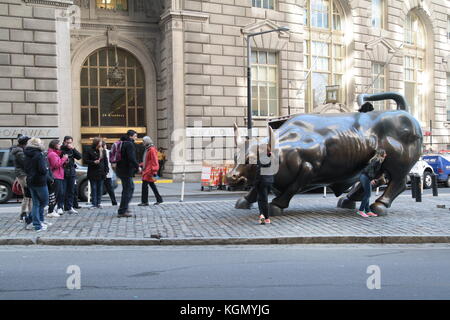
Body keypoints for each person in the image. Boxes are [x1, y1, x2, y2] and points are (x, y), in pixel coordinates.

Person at [23, 138, 50, 232]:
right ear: (37, 144)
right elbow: (42, 169)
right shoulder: (38, 154)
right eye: (40, 142)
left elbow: (25, 168)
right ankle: (37, 224)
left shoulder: (27, 154)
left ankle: (34, 222)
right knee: (44, 201)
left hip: (31, 181)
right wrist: (46, 169)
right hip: (40, 181)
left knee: (36, 203)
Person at [116, 130, 140, 218]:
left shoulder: (122, 143)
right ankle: (122, 211)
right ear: (130, 136)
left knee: (128, 189)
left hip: (121, 170)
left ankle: (124, 208)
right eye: (135, 136)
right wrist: (138, 166)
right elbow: (131, 158)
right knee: (128, 190)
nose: (136, 138)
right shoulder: (129, 144)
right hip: (126, 171)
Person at [357, 148, 387, 218]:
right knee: (367, 195)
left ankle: (368, 211)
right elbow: (370, 170)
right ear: (382, 154)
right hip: (366, 177)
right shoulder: (377, 160)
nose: (386, 155)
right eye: (385, 153)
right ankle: (361, 210)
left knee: (367, 194)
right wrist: (371, 179)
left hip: (365, 177)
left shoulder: (377, 160)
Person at [11, 135, 32, 221]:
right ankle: (23, 214)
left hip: (24, 174)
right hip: (23, 175)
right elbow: (25, 163)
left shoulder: (22, 150)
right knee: (27, 195)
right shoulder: (20, 152)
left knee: (30, 196)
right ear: (25, 143)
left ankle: (30, 213)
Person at [83, 137, 108, 209]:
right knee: (94, 188)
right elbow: (85, 160)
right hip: (93, 172)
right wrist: (93, 162)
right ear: (96, 143)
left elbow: (105, 161)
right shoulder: (89, 150)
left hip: (101, 172)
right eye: (100, 142)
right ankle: (94, 203)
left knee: (100, 188)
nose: (101, 143)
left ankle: (99, 203)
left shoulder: (103, 151)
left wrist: (106, 171)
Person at [138, 136, 163, 206]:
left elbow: (154, 161)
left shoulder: (151, 149)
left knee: (145, 186)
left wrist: (154, 171)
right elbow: (147, 160)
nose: (142, 143)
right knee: (152, 185)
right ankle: (159, 199)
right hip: (148, 170)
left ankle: (145, 202)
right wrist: (141, 164)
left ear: (147, 142)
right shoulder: (148, 149)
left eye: (143, 141)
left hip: (149, 171)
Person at [60, 136, 82, 214]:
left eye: (70, 142)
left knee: (71, 190)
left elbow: (79, 157)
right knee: (62, 191)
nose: (69, 144)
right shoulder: (61, 149)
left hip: (71, 172)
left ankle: (69, 207)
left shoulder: (71, 150)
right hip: (63, 172)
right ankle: (60, 207)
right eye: (67, 142)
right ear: (64, 142)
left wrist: (73, 149)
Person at [47, 139, 69, 217]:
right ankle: (51, 211)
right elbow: (56, 165)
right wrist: (64, 158)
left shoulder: (54, 153)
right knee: (55, 194)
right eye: (59, 144)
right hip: (56, 176)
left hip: (59, 176)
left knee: (59, 193)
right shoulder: (52, 154)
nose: (60, 146)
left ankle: (52, 210)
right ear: (55, 145)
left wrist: (64, 160)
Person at [255, 144, 274, 225]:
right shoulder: (272, 157)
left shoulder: (261, 159)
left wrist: (256, 183)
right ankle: (266, 218)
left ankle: (263, 216)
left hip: (262, 181)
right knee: (265, 199)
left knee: (261, 199)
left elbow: (259, 172)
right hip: (270, 181)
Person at [102, 140, 117, 206]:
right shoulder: (99, 152)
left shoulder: (109, 152)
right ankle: (97, 202)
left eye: (104, 145)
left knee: (110, 189)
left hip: (108, 173)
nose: (104, 147)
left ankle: (114, 202)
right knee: (99, 188)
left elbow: (113, 161)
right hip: (101, 173)